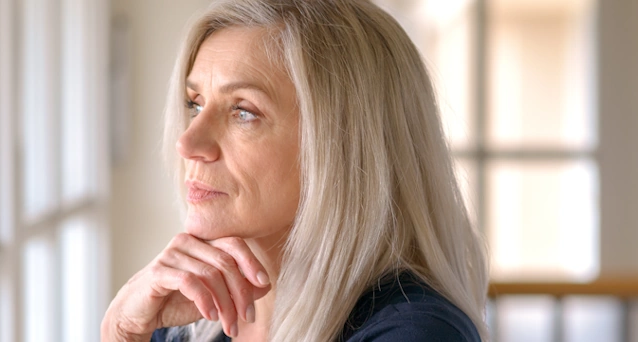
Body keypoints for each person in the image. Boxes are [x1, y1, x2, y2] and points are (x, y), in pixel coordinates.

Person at [101, 0, 489, 341]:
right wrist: (120, 334)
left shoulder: (417, 332)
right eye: (195, 104)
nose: (187, 143)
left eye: (243, 112)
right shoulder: (180, 324)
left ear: (342, 145)